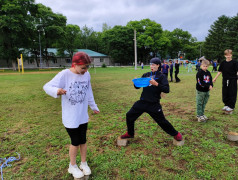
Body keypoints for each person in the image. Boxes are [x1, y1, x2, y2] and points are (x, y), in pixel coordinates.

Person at [43, 52, 100, 179]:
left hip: (82, 115)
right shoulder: (65, 74)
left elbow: (88, 92)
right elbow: (47, 86)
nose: (86, 70)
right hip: (71, 117)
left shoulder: (87, 75)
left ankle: (83, 163)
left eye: (87, 67)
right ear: (74, 64)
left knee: (83, 140)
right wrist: (57, 91)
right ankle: (72, 166)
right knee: (75, 141)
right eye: (83, 68)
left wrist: (93, 106)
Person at [120, 57, 183, 142]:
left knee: (162, 121)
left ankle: (176, 134)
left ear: (158, 65)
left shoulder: (161, 76)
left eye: (153, 64)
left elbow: (167, 90)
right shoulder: (146, 75)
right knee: (129, 115)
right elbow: (137, 87)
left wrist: (156, 84)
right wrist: (136, 82)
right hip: (142, 102)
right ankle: (130, 133)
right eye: (150, 64)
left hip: (154, 104)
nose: (151, 66)